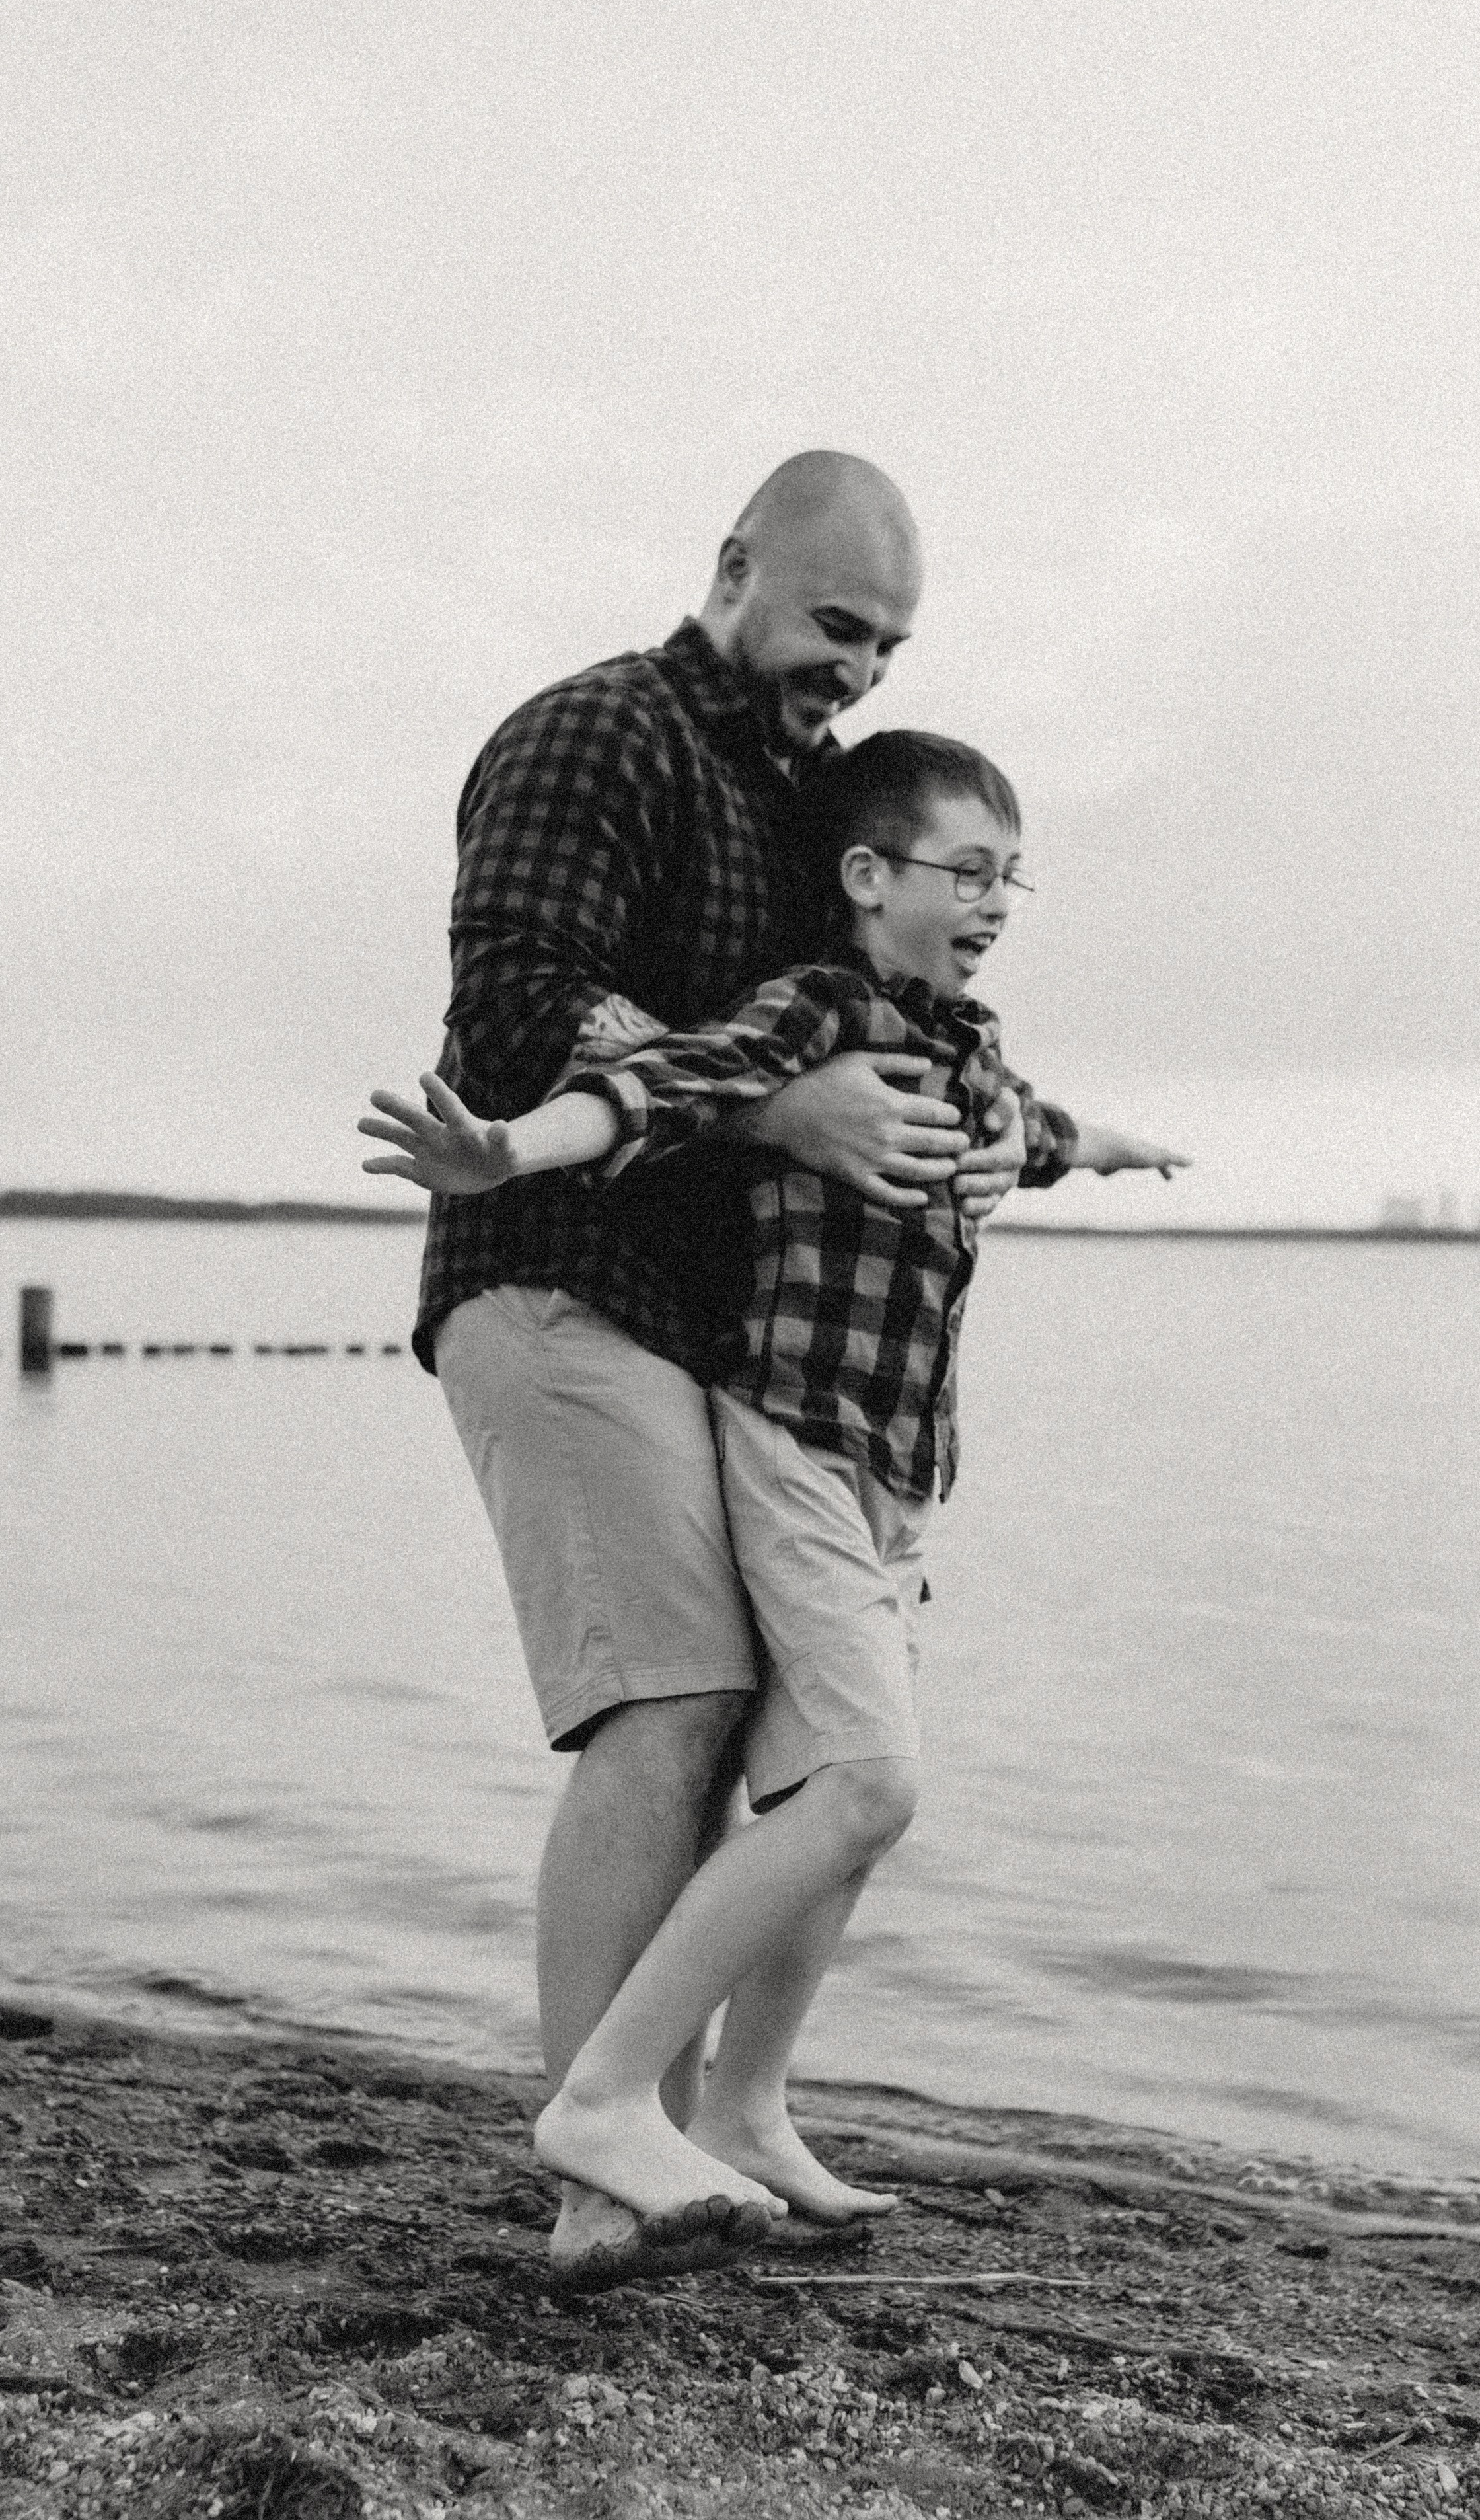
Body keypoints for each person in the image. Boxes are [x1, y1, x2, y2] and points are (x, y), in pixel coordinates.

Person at [363, 730, 1188, 2254]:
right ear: (868, 878)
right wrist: (503, 1152)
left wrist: (1112, 1143)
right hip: (795, 1442)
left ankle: (741, 2108)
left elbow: (1031, 1131)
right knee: (869, 1781)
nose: (996, 898)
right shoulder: (814, 1008)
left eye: (1012, 874)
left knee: (835, 1804)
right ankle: (606, 2096)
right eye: (966, 870)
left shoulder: (963, 1044)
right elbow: (657, 1087)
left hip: (895, 1476)